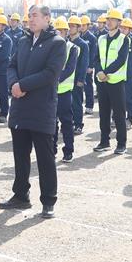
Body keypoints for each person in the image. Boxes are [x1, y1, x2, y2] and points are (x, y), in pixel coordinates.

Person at [0, 4, 66, 218]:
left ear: (47, 18)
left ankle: (48, 200)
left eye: (35, 15)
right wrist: (13, 84)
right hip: (20, 107)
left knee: (45, 157)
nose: (31, 19)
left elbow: (51, 73)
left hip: (41, 108)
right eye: (29, 16)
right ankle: (20, 195)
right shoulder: (23, 41)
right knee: (20, 155)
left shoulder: (57, 43)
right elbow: (11, 66)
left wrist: (23, 85)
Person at [93, 8, 130, 154]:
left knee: (119, 114)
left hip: (116, 82)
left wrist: (106, 72)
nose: (108, 22)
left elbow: (121, 60)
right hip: (102, 82)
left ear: (119, 22)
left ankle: (121, 143)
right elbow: (96, 58)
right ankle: (104, 141)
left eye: (112, 19)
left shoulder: (124, 39)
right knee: (103, 113)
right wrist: (99, 72)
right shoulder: (101, 39)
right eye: (107, 19)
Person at [52, 16, 80, 162]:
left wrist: (55, 80)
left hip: (64, 91)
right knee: (51, 122)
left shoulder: (72, 48)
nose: (58, 34)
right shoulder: (49, 47)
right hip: (51, 91)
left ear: (66, 32)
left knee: (67, 122)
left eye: (60, 31)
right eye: (56, 31)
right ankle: (52, 149)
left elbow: (70, 68)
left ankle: (68, 150)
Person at [67, 16, 90, 134]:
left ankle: (78, 125)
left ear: (78, 28)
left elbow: (84, 63)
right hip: (66, 78)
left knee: (76, 103)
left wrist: (81, 79)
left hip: (76, 78)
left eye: (73, 26)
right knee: (67, 103)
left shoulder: (83, 44)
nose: (70, 28)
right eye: (69, 26)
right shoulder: (66, 42)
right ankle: (69, 124)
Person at [78, 15, 96, 115]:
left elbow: (93, 53)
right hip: (80, 66)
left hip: (88, 66)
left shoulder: (92, 38)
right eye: (81, 25)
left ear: (88, 25)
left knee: (88, 86)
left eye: (84, 25)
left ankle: (89, 106)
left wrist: (91, 66)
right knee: (79, 87)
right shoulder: (79, 36)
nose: (82, 27)